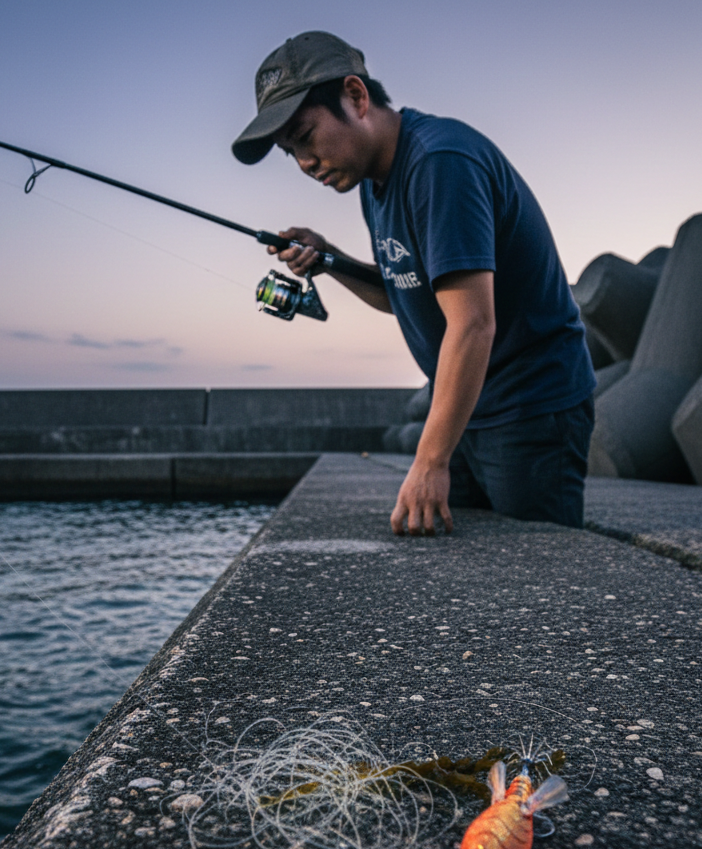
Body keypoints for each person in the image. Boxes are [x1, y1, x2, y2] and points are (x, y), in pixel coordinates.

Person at [233, 31, 596, 536]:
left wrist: (429, 461)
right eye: (289, 152)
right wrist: (330, 260)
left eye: (305, 136)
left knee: (539, 569)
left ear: (356, 97)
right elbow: (403, 293)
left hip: (529, 408)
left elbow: (473, 323)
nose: (304, 164)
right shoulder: (373, 182)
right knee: (461, 559)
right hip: (469, 404)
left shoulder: (439, 162)